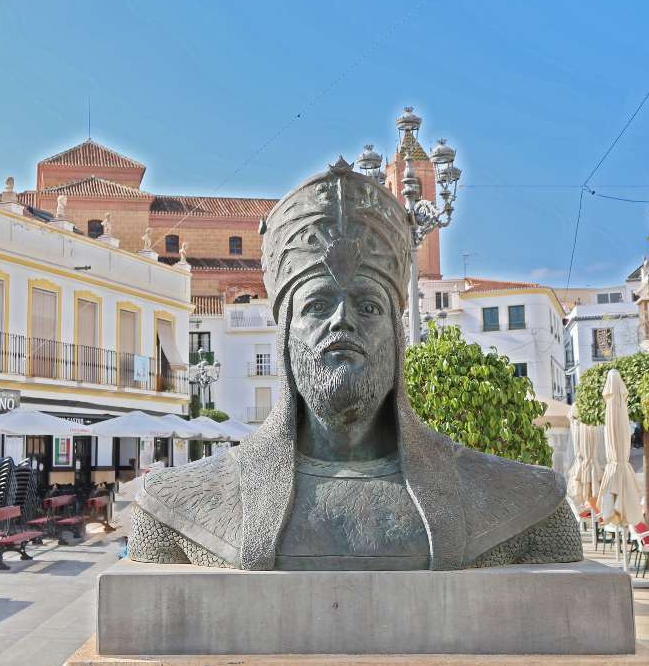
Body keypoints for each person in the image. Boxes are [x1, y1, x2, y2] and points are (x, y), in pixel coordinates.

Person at [127, 160, 581, 570]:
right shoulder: (175, 510)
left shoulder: (524, 504)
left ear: (399, 339)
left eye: (367, 306)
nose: (342, 319)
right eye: (318, 305)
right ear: (283, 338)